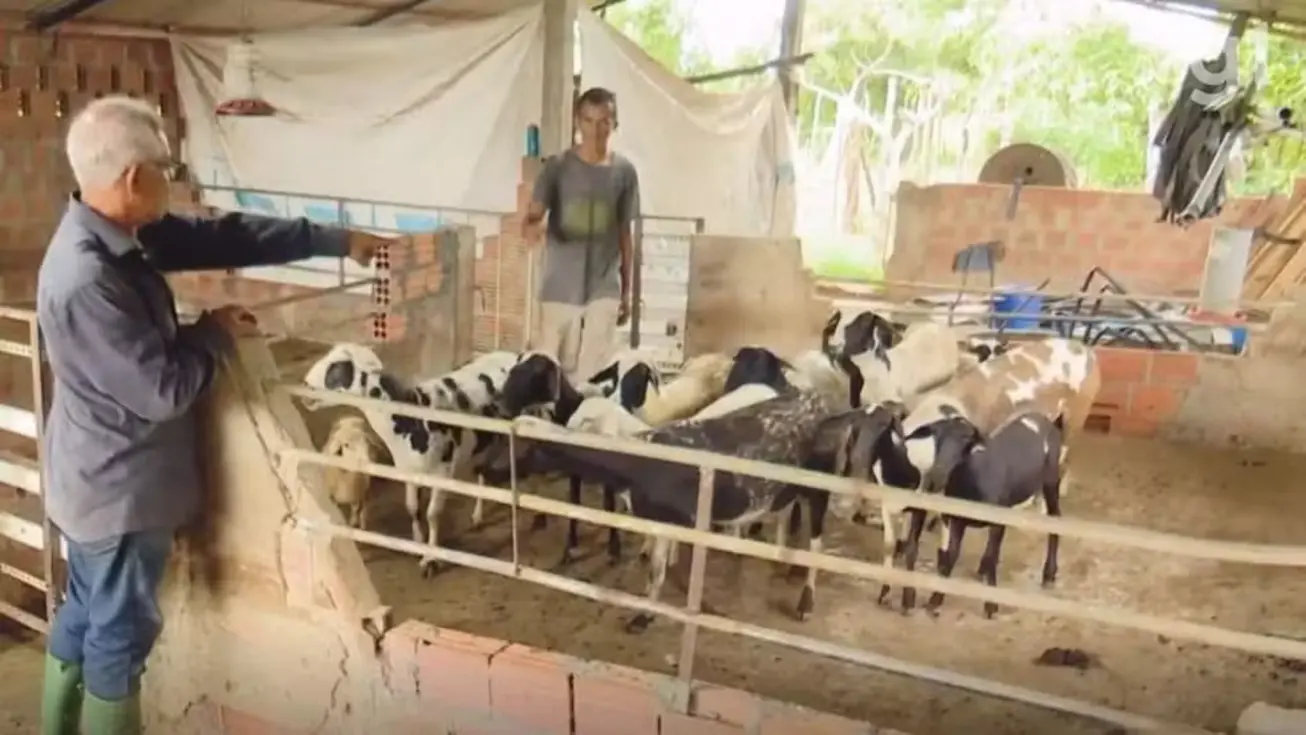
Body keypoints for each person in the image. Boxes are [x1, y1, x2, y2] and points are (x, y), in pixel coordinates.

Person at [35, 96, 390, 735]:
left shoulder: (116, 235)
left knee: (85, 611)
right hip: (119, 489)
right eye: (166, 168)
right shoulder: (89, 278)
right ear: (133, 179)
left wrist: (337, 239)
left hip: (90, 480)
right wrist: (216, 331)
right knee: (119, 638)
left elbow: (223, 234)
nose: (174, 180)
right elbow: (162, 390)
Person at [523, 86, 641, 381]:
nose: (596, 130)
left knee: (592, 376)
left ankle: (585, 423)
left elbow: (625, 234)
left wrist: (627, 291)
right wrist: (533, 227)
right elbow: (531, 217)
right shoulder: (557, 168)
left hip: (604, 288)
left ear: (615, 123)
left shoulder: (625, 172)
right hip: (560, 288)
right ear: (577, 122)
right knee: (551, 374)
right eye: (588, 120)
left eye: (604, 121)